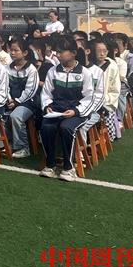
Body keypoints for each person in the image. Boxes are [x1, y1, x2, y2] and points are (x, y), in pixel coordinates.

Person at [39, 37, 95, 182]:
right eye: (57, 52)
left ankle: (69, 167)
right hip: (56, 111)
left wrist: (75, 111)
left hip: (77, 113)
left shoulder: (84, 73)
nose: (58, 55)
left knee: (66, 128)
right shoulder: (53, 71)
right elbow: (46, 93)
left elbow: (89, 98)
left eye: (61, 52)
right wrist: (47, 106)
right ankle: (50, 165)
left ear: (73, 53)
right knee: (46, 127)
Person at [4, 38, 40, 158]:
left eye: (16, 50)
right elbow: (4, 86)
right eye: (11, 50)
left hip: (28, 103)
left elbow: (30, 91)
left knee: (16, 116)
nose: (12, 53)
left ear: (25, 53)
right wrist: (9, 99)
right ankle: (5, 143)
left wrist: (17, 101)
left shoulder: (31, 70)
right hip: (10, 101)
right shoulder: (7, 68)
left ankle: (23, 147)